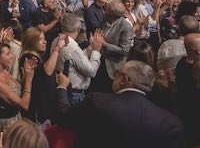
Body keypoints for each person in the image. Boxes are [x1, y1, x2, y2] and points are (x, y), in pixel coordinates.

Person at [56, 61, 186, 148]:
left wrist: (62, 87)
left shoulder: (97, 102)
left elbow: (63, 117)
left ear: (124, 80)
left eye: (117, 73)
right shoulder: (171, 123)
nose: (114, 77)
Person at [0, 42, 35, 148]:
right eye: (7, 54)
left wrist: (25, 74)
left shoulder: (2, 70)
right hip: (4, 126)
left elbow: (15, 90)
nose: (11, 56)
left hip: (14, 120)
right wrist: (29, 79)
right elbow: (24, 105)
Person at [54, 14, 103, 103]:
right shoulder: (72, 46)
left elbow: (75, 58)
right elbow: (91, 71)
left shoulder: (56, 40)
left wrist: (90, 47)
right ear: (79, 29)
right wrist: (96, 51)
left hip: (63, 89)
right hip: (73, 93)